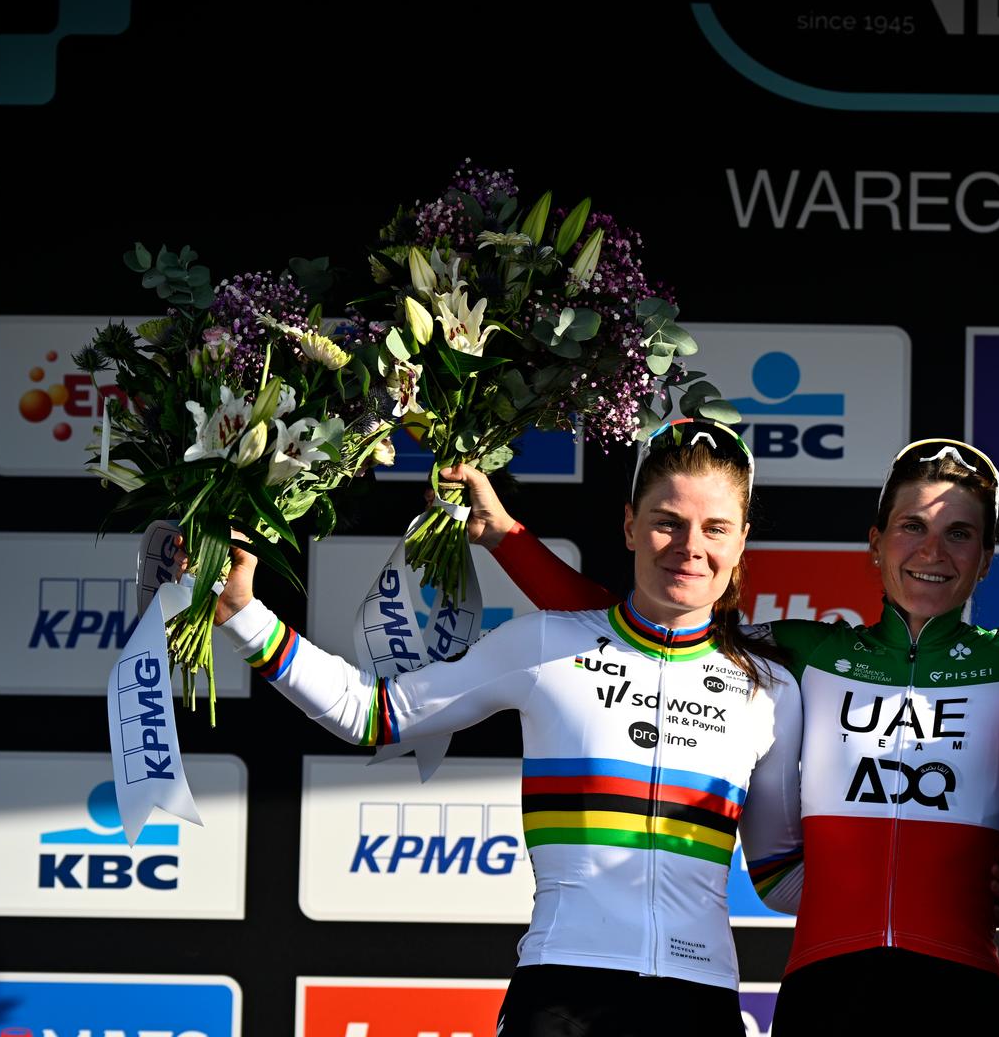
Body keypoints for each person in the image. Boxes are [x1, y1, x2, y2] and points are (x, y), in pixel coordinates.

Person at [214, 417, 803, 1037]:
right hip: (562, 993)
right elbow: (372, 714)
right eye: (666, 521)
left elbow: (778, 874)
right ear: (629, 525)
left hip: (700, 1000)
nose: (690, 546)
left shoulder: (769, 687)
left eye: (715, 528)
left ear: (741, 542)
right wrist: (242, 616)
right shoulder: (547, 643)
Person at [482, 437, 999, 1036]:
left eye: (959, 533)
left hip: (961, 993)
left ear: (986, 557)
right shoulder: (801, 652)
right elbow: (626, 632)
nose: (932, 550)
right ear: (875, 543)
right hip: (825, 993)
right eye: (912, 525)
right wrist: (503, 538)